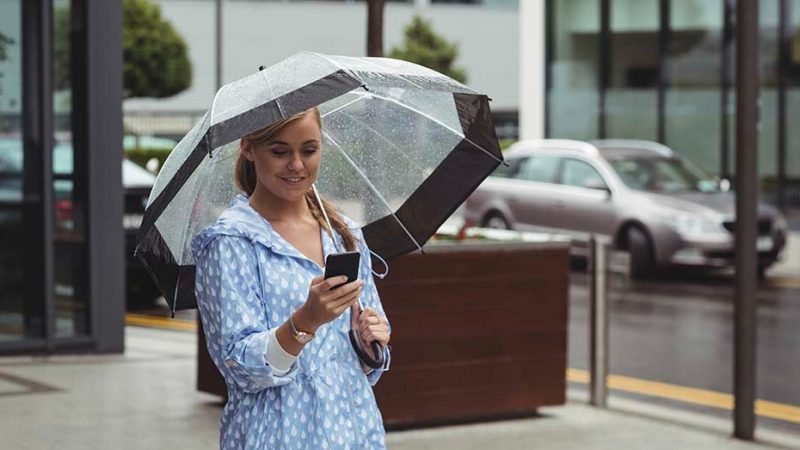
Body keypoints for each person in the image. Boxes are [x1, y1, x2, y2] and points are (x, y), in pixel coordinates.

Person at [191, 107, 392, 450]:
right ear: (248, 148)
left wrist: (372, 338)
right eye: (280, 151)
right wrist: (306, 321)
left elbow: (365, 362)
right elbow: (240, 367)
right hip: (275, 435)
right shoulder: (230, 243)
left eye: (309, 150)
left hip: (355, 431)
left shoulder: (344, 233)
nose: (297, 165)